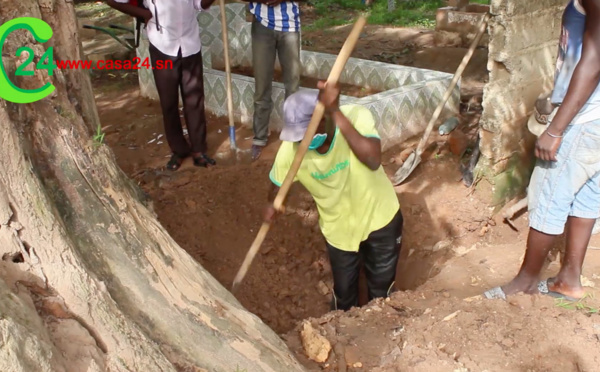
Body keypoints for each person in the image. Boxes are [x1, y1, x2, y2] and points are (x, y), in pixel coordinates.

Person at [484, 0, 600, 301]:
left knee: (549, 196)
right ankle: (569, 279)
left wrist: (555, 128)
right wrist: (557, 95)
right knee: (586, 196)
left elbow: (595, 57)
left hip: (585, 118)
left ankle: (525, 281)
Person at [264, 82, 403, 310]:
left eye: (306, 133)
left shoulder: (355, 116)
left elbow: (372, 159)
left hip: (381, 220)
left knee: (381, 292)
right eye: (297, 136)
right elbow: (278, 183)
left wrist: (335, 111)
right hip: (339, 232)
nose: (302, 141)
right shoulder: (292, 150)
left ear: (323, 118)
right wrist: (273, 203)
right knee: (344, 297)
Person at [106, 0, 217, 170]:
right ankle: (179, 150)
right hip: (162, 46)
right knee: (169, 102)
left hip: (190, 43)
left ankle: (198, 150)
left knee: (194, 100)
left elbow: (199, 4)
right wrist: (144, 14)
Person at [241, 0, 303, 161]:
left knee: (293, 85)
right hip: (262, 25)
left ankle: (294, 135)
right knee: (262, 85)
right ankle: (260, 137)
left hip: (290, 25)